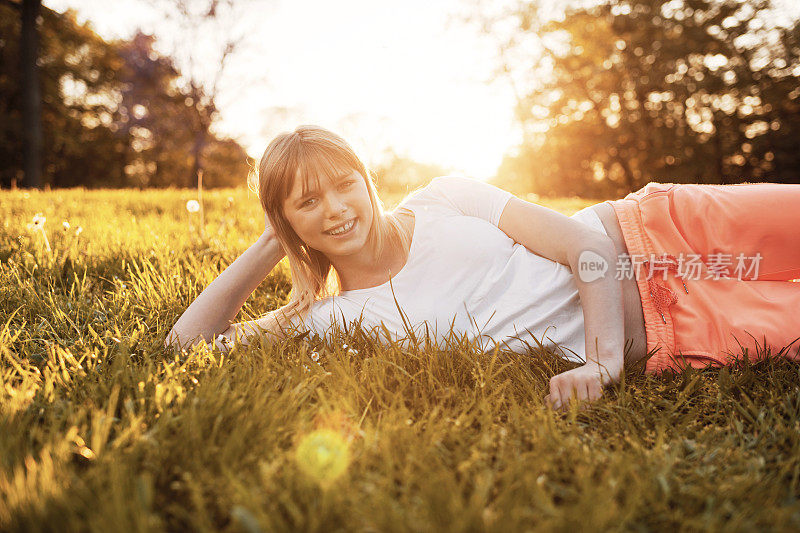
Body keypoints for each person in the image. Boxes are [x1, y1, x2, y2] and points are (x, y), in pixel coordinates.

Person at [166, 125, 800, 411]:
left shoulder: (446, 197)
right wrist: (270, 241)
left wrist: (603, 364)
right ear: (286, 221)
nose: (336, 209)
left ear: (367, 180)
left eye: (344, 184)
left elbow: (590, 249)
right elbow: (188, 345)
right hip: (676, 328)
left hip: (660, 229)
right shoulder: (328, 317)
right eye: (307, 202)